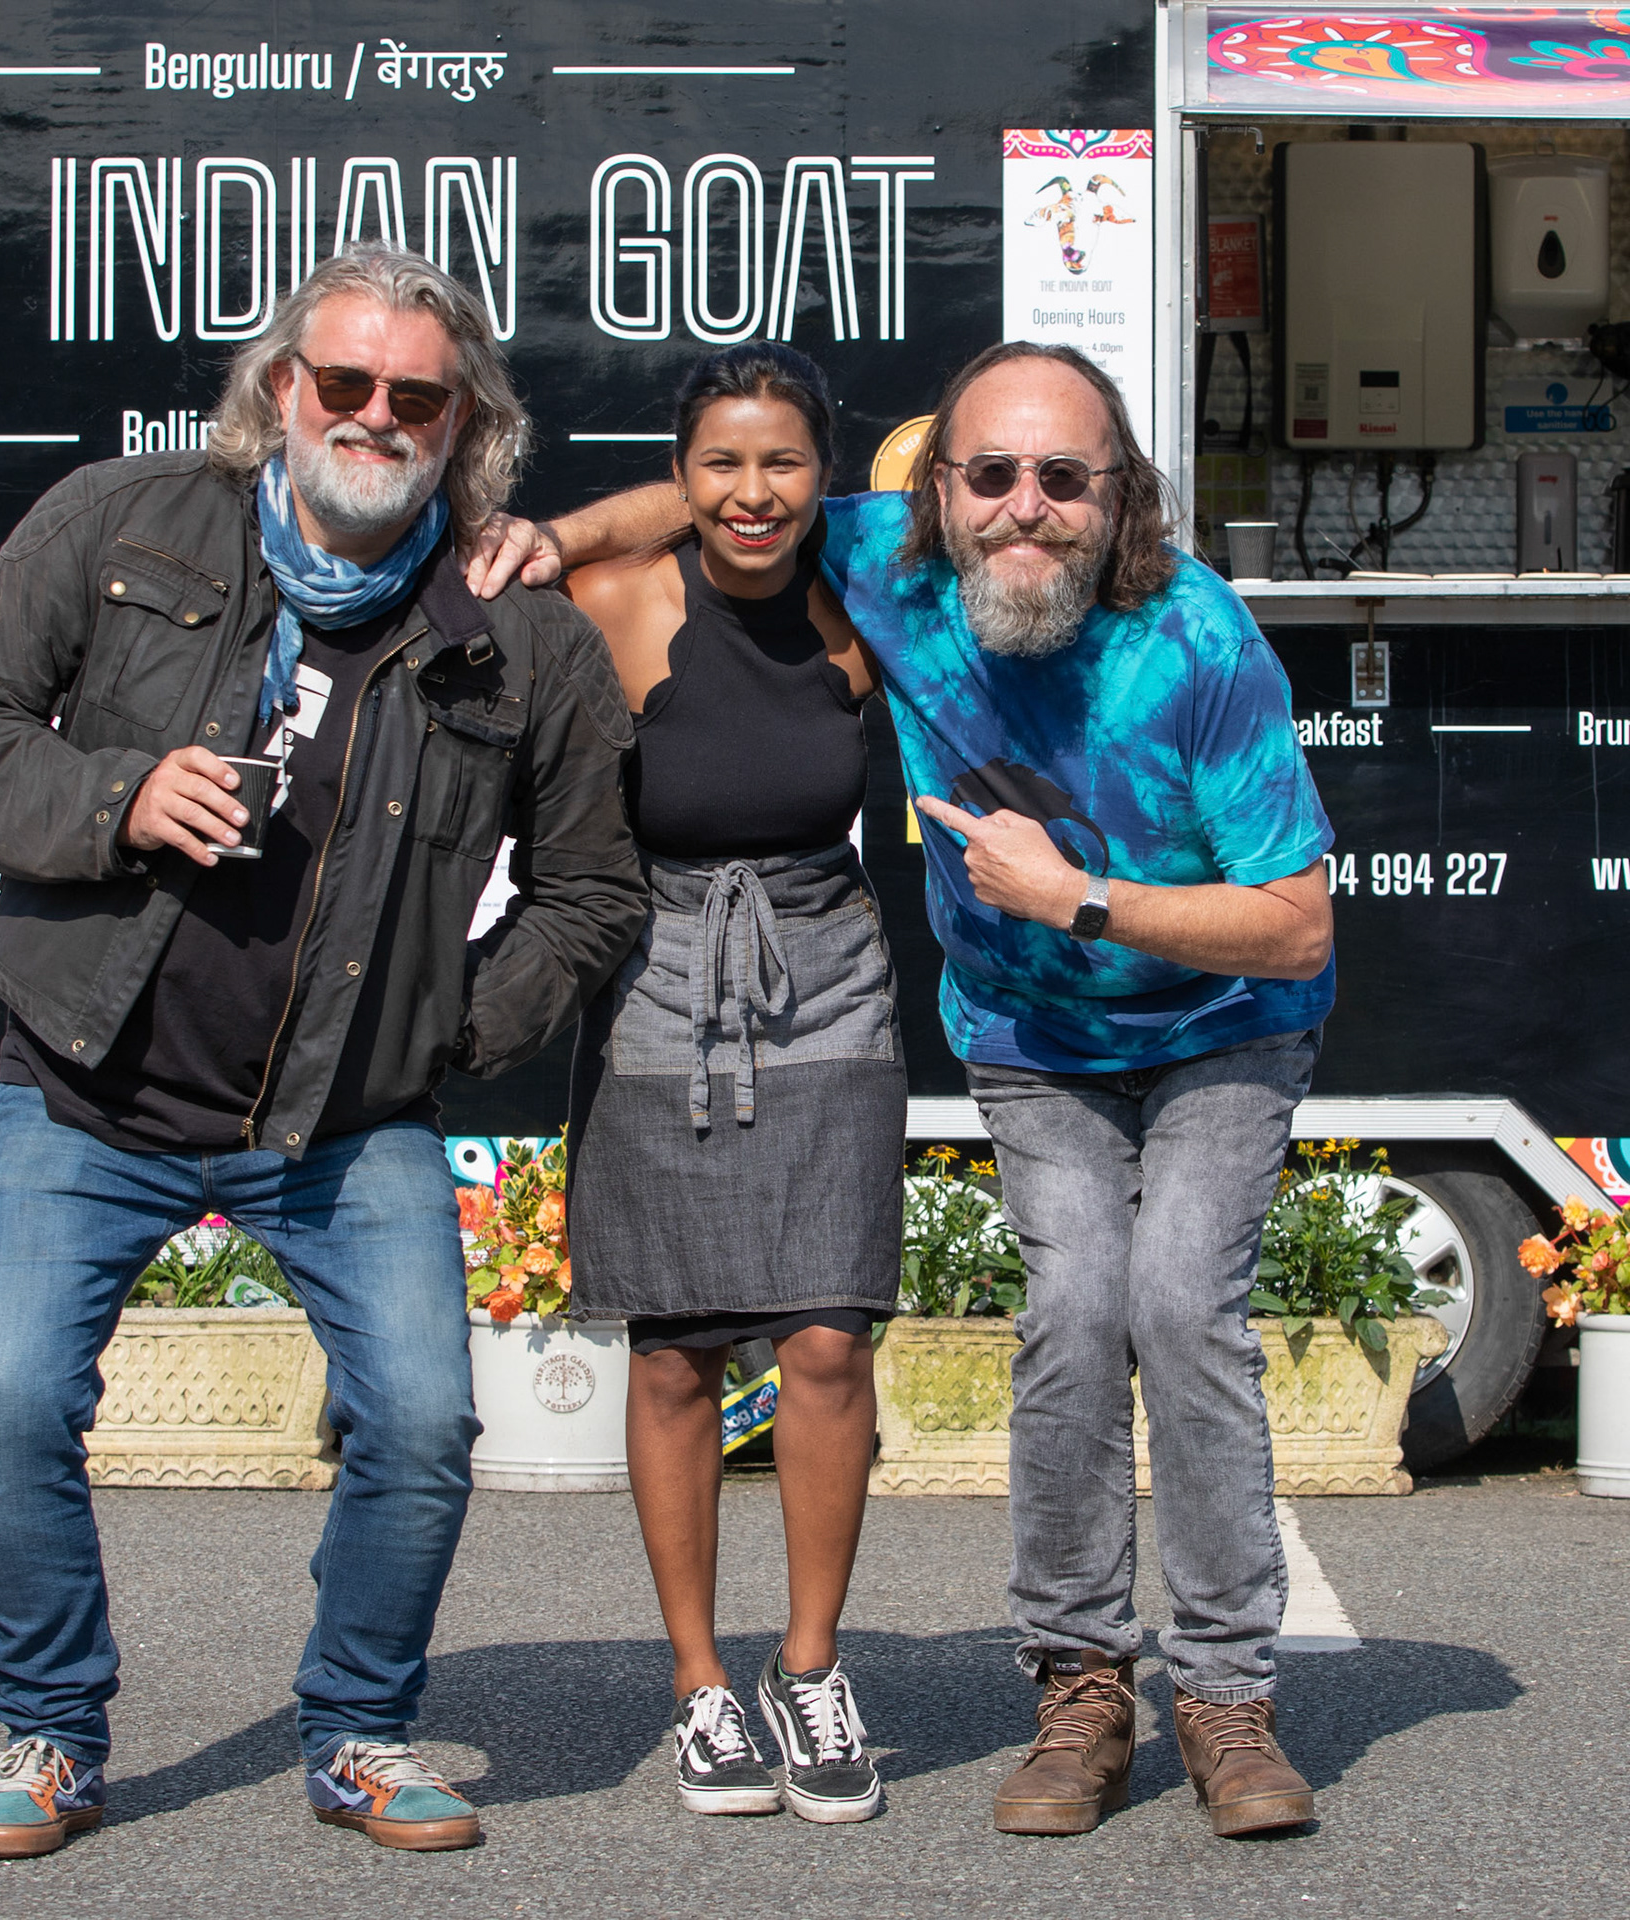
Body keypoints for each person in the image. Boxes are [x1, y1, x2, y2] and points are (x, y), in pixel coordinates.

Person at [468, 340, 1335, 1840]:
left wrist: (1083, 900)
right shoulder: (894, 560)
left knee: (1182, 1303)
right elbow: (702, 503)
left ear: (1116, 493)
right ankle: (1078, 1689)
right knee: (1069, 1315)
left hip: (1219, 1019)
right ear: (933, 487)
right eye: (990, 474)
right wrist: (557, 533)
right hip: (1029, 1028)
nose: (1023, 508)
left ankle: (1225, 1698)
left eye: (1064, 479)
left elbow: (1300, 921)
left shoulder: (1198, 641)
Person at [0, 244, 646, 1859]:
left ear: (467, 425)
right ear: (282, 393)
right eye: (346, 382)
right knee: (12, 1407)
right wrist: (115, 803)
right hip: (89, 1087)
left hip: (343, 1115)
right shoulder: (115, 520)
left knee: (423, 1425)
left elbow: (594, 889)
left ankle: (363, 1732)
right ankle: (48, 1732)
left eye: (418, 395)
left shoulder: (522, 632)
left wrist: (453, 1024)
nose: (375, 415)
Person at [563, 344, 903, 1824]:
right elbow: (486, 569)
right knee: (674, 1352)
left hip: (828, 967)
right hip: (660, 976)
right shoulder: (617, 598)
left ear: (824, 476)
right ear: (679, 475)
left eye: (782, 462)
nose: (752, 493)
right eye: (720, 462)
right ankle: (701, 1680)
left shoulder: (869, 603)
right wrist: (612, 519)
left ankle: (810, 1665)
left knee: (831, 1337)